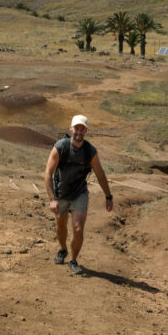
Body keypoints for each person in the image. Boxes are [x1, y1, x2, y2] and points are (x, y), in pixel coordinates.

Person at [44, 114, 114, 275]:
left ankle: (73, 260)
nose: (79, 132)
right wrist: (52, 199)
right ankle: (62, 249)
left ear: (86, 131)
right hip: (60, 192)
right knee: (61, 225)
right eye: (77, 128)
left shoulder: (90, 151)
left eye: (83, 129)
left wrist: (108, 196)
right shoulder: (60, 147)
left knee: (78, 228)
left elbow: (100, 173)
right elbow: (48, 173)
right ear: (71, 129)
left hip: (79, 193)